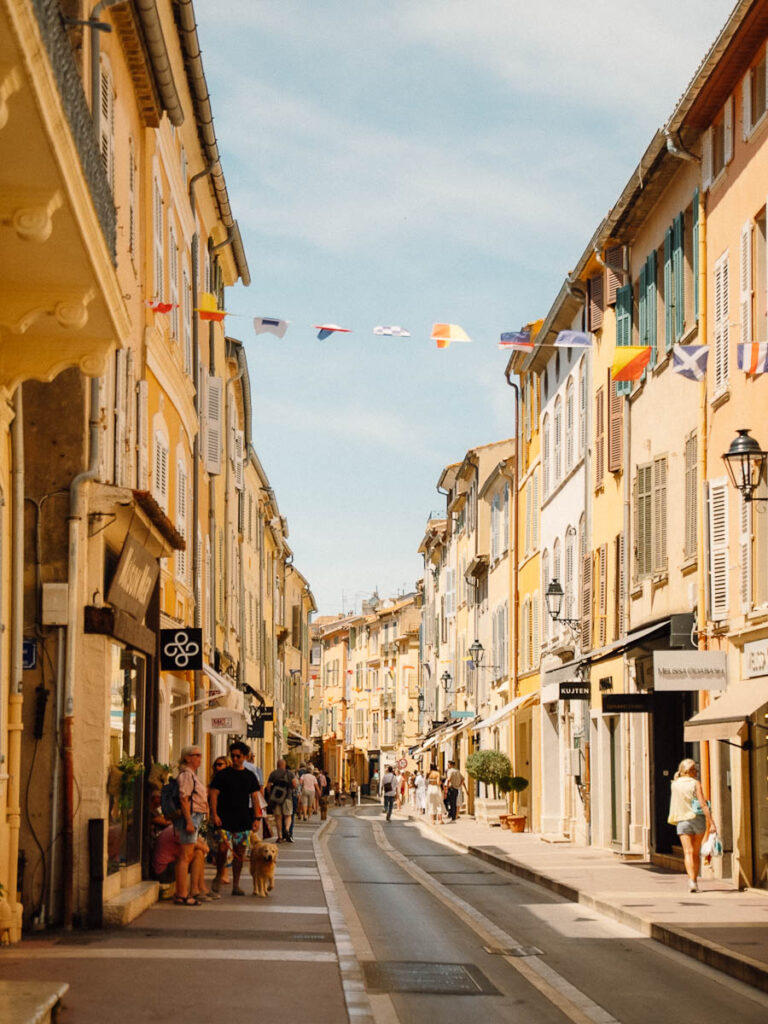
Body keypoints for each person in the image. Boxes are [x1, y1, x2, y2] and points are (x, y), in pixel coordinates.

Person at [209, 741, 262, 894]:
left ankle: (236, 885)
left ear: (245, 757)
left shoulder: (250, 776)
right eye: (233, 756)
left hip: (243, 819)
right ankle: (219, 874)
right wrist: (214, 814)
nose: (235, 759)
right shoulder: (222, 775)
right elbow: (214, 794)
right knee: (222, 849)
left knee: (239, 853)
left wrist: (257, 818)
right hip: (223, 819)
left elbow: (255, 797)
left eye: (238, 756)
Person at [668, 758, 716, 892]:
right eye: (695, 769)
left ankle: (692, 882)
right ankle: (694, 880)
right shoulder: (695, 783)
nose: (696, 772)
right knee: (695, 852)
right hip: (697, 819)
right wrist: (711, 822)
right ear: (688, 771)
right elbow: (703, 804)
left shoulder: (675, 784)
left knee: (687, 852)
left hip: (682, 821)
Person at [173, 745, 208, 906]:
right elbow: (184, 798)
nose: (200, 758)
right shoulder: (187, 775)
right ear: (187, 758)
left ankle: (182, 893)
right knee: (185, 856)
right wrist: (188, 821)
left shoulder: (192, 774)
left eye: (200, 755)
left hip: (195, 817)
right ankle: (182, 894)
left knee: (187, 855)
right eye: (196, 755)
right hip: (191, 817)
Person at [266, 758, 297, 842]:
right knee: (288, 815)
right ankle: (287, 829)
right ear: (284, 765)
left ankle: (279, 836)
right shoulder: (290, 773)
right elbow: (294, 784)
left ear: (277, 765)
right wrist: (291, 788)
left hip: (276, 799)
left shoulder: (273, 774)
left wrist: (271, 794)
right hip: (287, 797)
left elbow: (268, 787)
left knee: (278, 817)